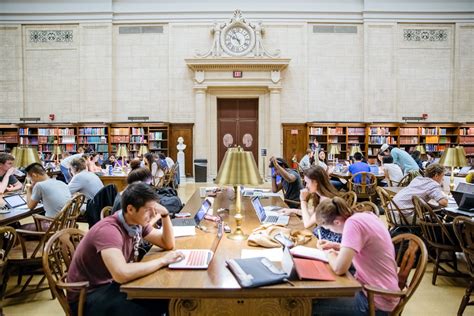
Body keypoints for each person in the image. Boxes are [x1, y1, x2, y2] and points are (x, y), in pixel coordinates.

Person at [67, 182, 184, 316]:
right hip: (88, 295)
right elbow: (121, 273)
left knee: (166, 300)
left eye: (154, 209)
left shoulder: (136, 223)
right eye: (148, 210)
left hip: (112, 285)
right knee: (148, 311)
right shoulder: (109, 231)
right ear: (130, 209)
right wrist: (162, 261)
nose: (153, 215)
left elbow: (167, 244)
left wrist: (165, 215)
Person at [312, 197, 400, 315]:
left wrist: (329, 253)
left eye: (329, 228)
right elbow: (364, 247)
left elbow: (339, 268)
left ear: (337, 222)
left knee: (311, 303)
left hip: (374, 300)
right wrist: (335, 246)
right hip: (381, 291)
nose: (331, 231)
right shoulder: (364, 215)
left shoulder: (352, 224)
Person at [279, 166, 341, 243]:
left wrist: (303, 200)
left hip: (327, 241)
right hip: (321, 235)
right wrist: (292, 210)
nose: (306, 186)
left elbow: (307, 224)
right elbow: (313, 213)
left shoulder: (326, 200)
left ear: (315, 182)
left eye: (307, 182)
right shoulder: (320, 196)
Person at [24, 163, 71, 228]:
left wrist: (29, 189)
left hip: (53, 225)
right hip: (67, 223)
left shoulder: (40, 185)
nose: (31, 181)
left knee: (18, 229)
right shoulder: (61, 183)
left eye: (30, 179)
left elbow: (30, 206)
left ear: (34, 175)